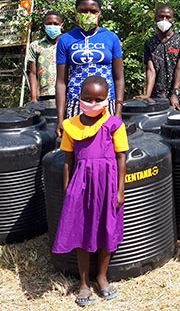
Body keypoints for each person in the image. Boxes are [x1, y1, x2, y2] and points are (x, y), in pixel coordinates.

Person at [52, 75, 128, 306]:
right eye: (87, 98)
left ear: (107, 100)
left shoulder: (115, 125)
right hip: (81, 185)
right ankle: (84, 283)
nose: (92, 103)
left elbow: (121, 157)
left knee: (107, 230)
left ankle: (101, 277)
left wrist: (120, 190)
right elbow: (68, 158)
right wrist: (68, 188)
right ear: (80, 98)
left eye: (98, 99)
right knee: (82, 233)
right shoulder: (71, 126)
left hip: (108, 185)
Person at [56, 0, 125, 137]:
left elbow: (119, 78)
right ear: (75, 13)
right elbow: (61, 82)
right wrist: (60, 118)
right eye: (83, 11)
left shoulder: (111, 38)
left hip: (106, 102)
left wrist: (118, 111)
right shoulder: (65, 40)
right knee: (77, 145)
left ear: (99, 13)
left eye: (93, 11)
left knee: (105, 144)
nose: (88, 14)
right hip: (76, 102)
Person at [135, 4, 180, 111]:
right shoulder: (149, 43)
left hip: (178, 98)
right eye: (161, 17)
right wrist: (147, 94)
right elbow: (151, 70)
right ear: (155, 19)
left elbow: (179, 68)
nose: (164, 20)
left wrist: (175, 93)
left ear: (173, 20)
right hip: (157, 98)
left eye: (168, 17)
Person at [27, 10, 64, 102]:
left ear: (61, 26)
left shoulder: (67, 44)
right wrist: (34, 98)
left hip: (65, 94)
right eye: (49, 24)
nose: (52, 26)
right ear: (44, 26)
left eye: (56, 24)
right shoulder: (35, 46)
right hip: (44, 96)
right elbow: (32, 73)